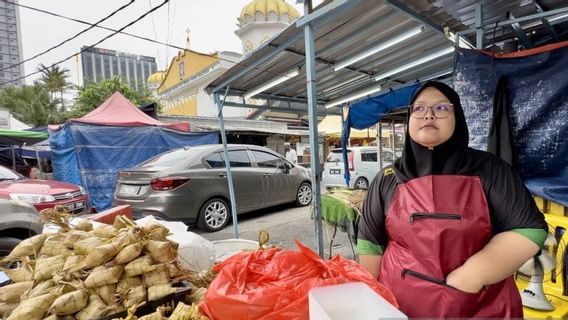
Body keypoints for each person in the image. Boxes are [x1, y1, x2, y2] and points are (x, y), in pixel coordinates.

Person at [357, 81, 547, 318]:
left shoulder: (491, 169)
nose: (428, 114)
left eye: (441, 108)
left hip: (479, 305)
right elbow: (370, 243)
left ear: (458, 117)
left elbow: (529, 230)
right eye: (419, 108)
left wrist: (475, 274)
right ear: (408, 121)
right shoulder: (387, 179)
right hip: (401, 306)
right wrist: (368, 300)